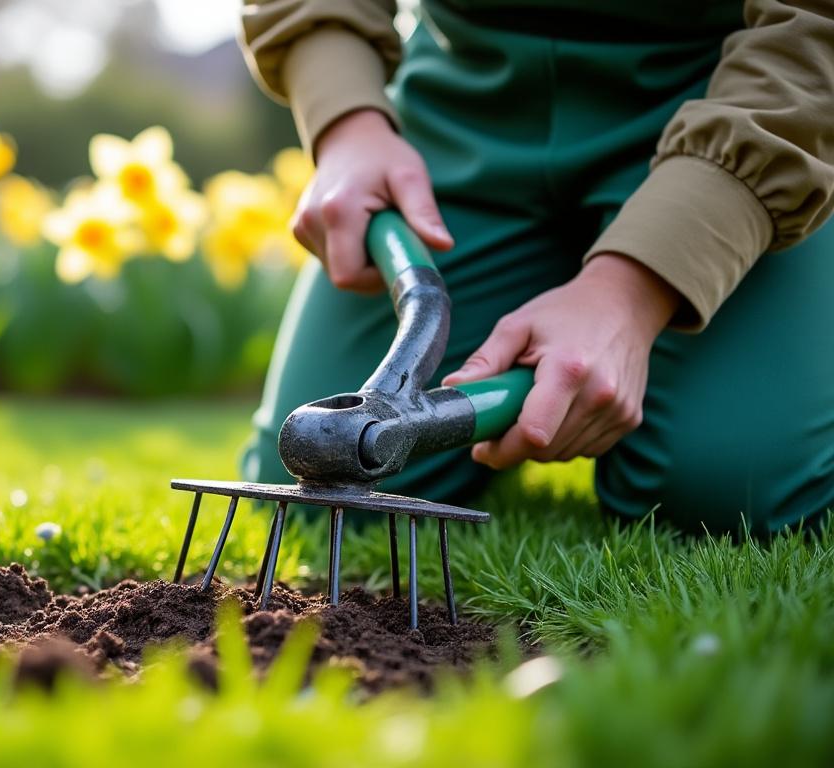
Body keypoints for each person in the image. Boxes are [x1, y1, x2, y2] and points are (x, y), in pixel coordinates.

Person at [236, 0, 834, 535]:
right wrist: (347, 123)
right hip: (462, 104)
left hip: (726, 104)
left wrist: (630, 291)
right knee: (320, 491)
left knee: (736, 490)